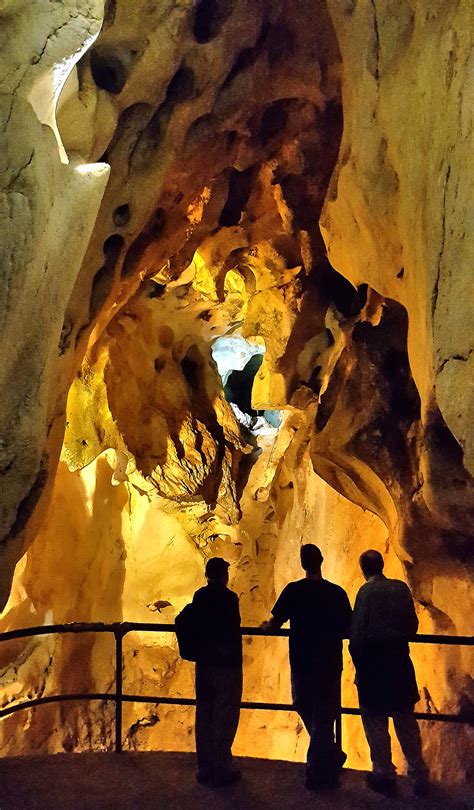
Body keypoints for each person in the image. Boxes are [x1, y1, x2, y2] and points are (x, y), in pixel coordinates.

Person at [261, 544, 352, 790]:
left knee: (306, 706)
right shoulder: (336, 593)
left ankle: (316, 772)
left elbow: (275, 623)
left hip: (302, 661)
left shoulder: (294, 591)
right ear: (321, 560)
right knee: (323, 714)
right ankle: (330, 754)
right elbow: (348, 626)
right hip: (329, 661)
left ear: (303, 564)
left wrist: (265, 627)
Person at [350, 549, 429, 797]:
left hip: (374, 666)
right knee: (405, 721)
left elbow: (358, 633)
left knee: (375, 723)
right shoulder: (400, 588)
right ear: (381, 565)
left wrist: (359, 665)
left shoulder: (366, 593)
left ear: (364, 570)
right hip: (399, 663)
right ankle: (418, 775)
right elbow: (412, 626)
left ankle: (383, 773)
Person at [191, 557, 243, 787]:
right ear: (224, 576)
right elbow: (233, 628)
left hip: (204, 663)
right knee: (224, 715)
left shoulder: (199, 596)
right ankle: (221, 768)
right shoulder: (229, 598)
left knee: (204, 713)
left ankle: (204, 767)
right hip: (225, 665)